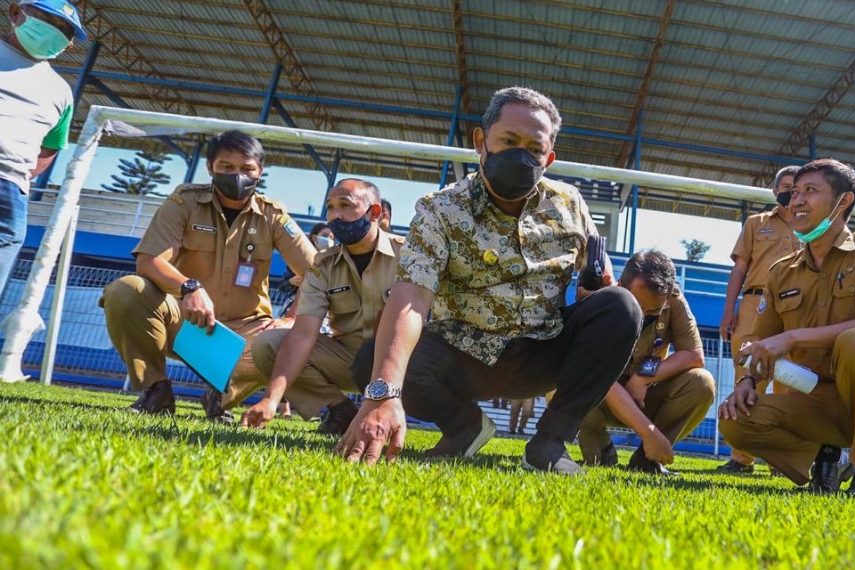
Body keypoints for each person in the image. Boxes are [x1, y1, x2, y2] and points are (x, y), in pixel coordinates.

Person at [335, 86, 642, 474]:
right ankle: (464, 426)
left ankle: (549, 444)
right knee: (373, 362)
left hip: (540, 352)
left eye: (533, 149)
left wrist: (596, 286)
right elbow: (411, 297)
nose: (519, 155)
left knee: (620, 306)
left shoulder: (570, 205)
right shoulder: (440, 209)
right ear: (482, 142)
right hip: (461, 356)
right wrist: (383, 394)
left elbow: (600, 279)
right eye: (509, 141)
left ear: (548, 158)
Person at [719, 159, 855, 499]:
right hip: (817, 401)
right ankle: (826, 459)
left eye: (810, 191)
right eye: (794, 193)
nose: (796, 201)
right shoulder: (780, 271)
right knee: (734, 420)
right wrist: (747, 380)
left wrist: (792, 337)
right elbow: (761, 340)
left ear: (843, 201)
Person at [100, 131, 316, 421]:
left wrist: (292, 316)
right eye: (227, 167)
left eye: (247, 168)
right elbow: (149, 261)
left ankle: (222, 398)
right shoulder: (183, 202)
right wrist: (189, 288)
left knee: (292, 335)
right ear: (210, 167)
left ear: (260, 172)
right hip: (187, 322)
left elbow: (318, 274)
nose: (237, 175)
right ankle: (155, 390)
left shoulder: (272, 215)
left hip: (247, 335)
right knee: (126, 289)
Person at [240, 179, 402, 435]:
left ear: (374, 213)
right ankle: (341, 411)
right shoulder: (323, 265)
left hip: (403, 363)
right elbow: (303, 333)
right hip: (349, 360)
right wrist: (271, 399)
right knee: (268, 345)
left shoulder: (409, 255)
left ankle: (459, 425)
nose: (335, 216)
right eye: (330, 207)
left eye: (346, 206)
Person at [577, 249, 715, 475]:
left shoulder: (675, 300)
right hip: (602, 396)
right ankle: (600, 452)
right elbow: (599, 376)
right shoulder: (602, 300)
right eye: (635, 307)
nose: (640, 316)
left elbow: (694, 355)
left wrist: (642, 378)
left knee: (702, 383)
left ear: (669, 295)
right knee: (563, 386)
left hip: (644, 399)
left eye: (651, 313)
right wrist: (649, 433)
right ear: (621, 286)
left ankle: (647, 459)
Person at [0, 0, 86, 300]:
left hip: (9, 193)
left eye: (63, 30)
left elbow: (49, 148)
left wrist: (16, 175)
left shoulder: (61, 92)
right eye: (45, 19)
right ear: (15, 12)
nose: (53, 31)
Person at [717, 165, 800, 473]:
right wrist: (729, 311)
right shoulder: (756, 223)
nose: (792, 191)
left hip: (796, 310)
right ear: (775, 191)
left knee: (788, 385)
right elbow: (739, 269)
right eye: (786, 186)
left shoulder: (814, 225)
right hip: (754, 306)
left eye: (798, 186)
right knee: (747, 379)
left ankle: (781, 460)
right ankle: (741, 459)